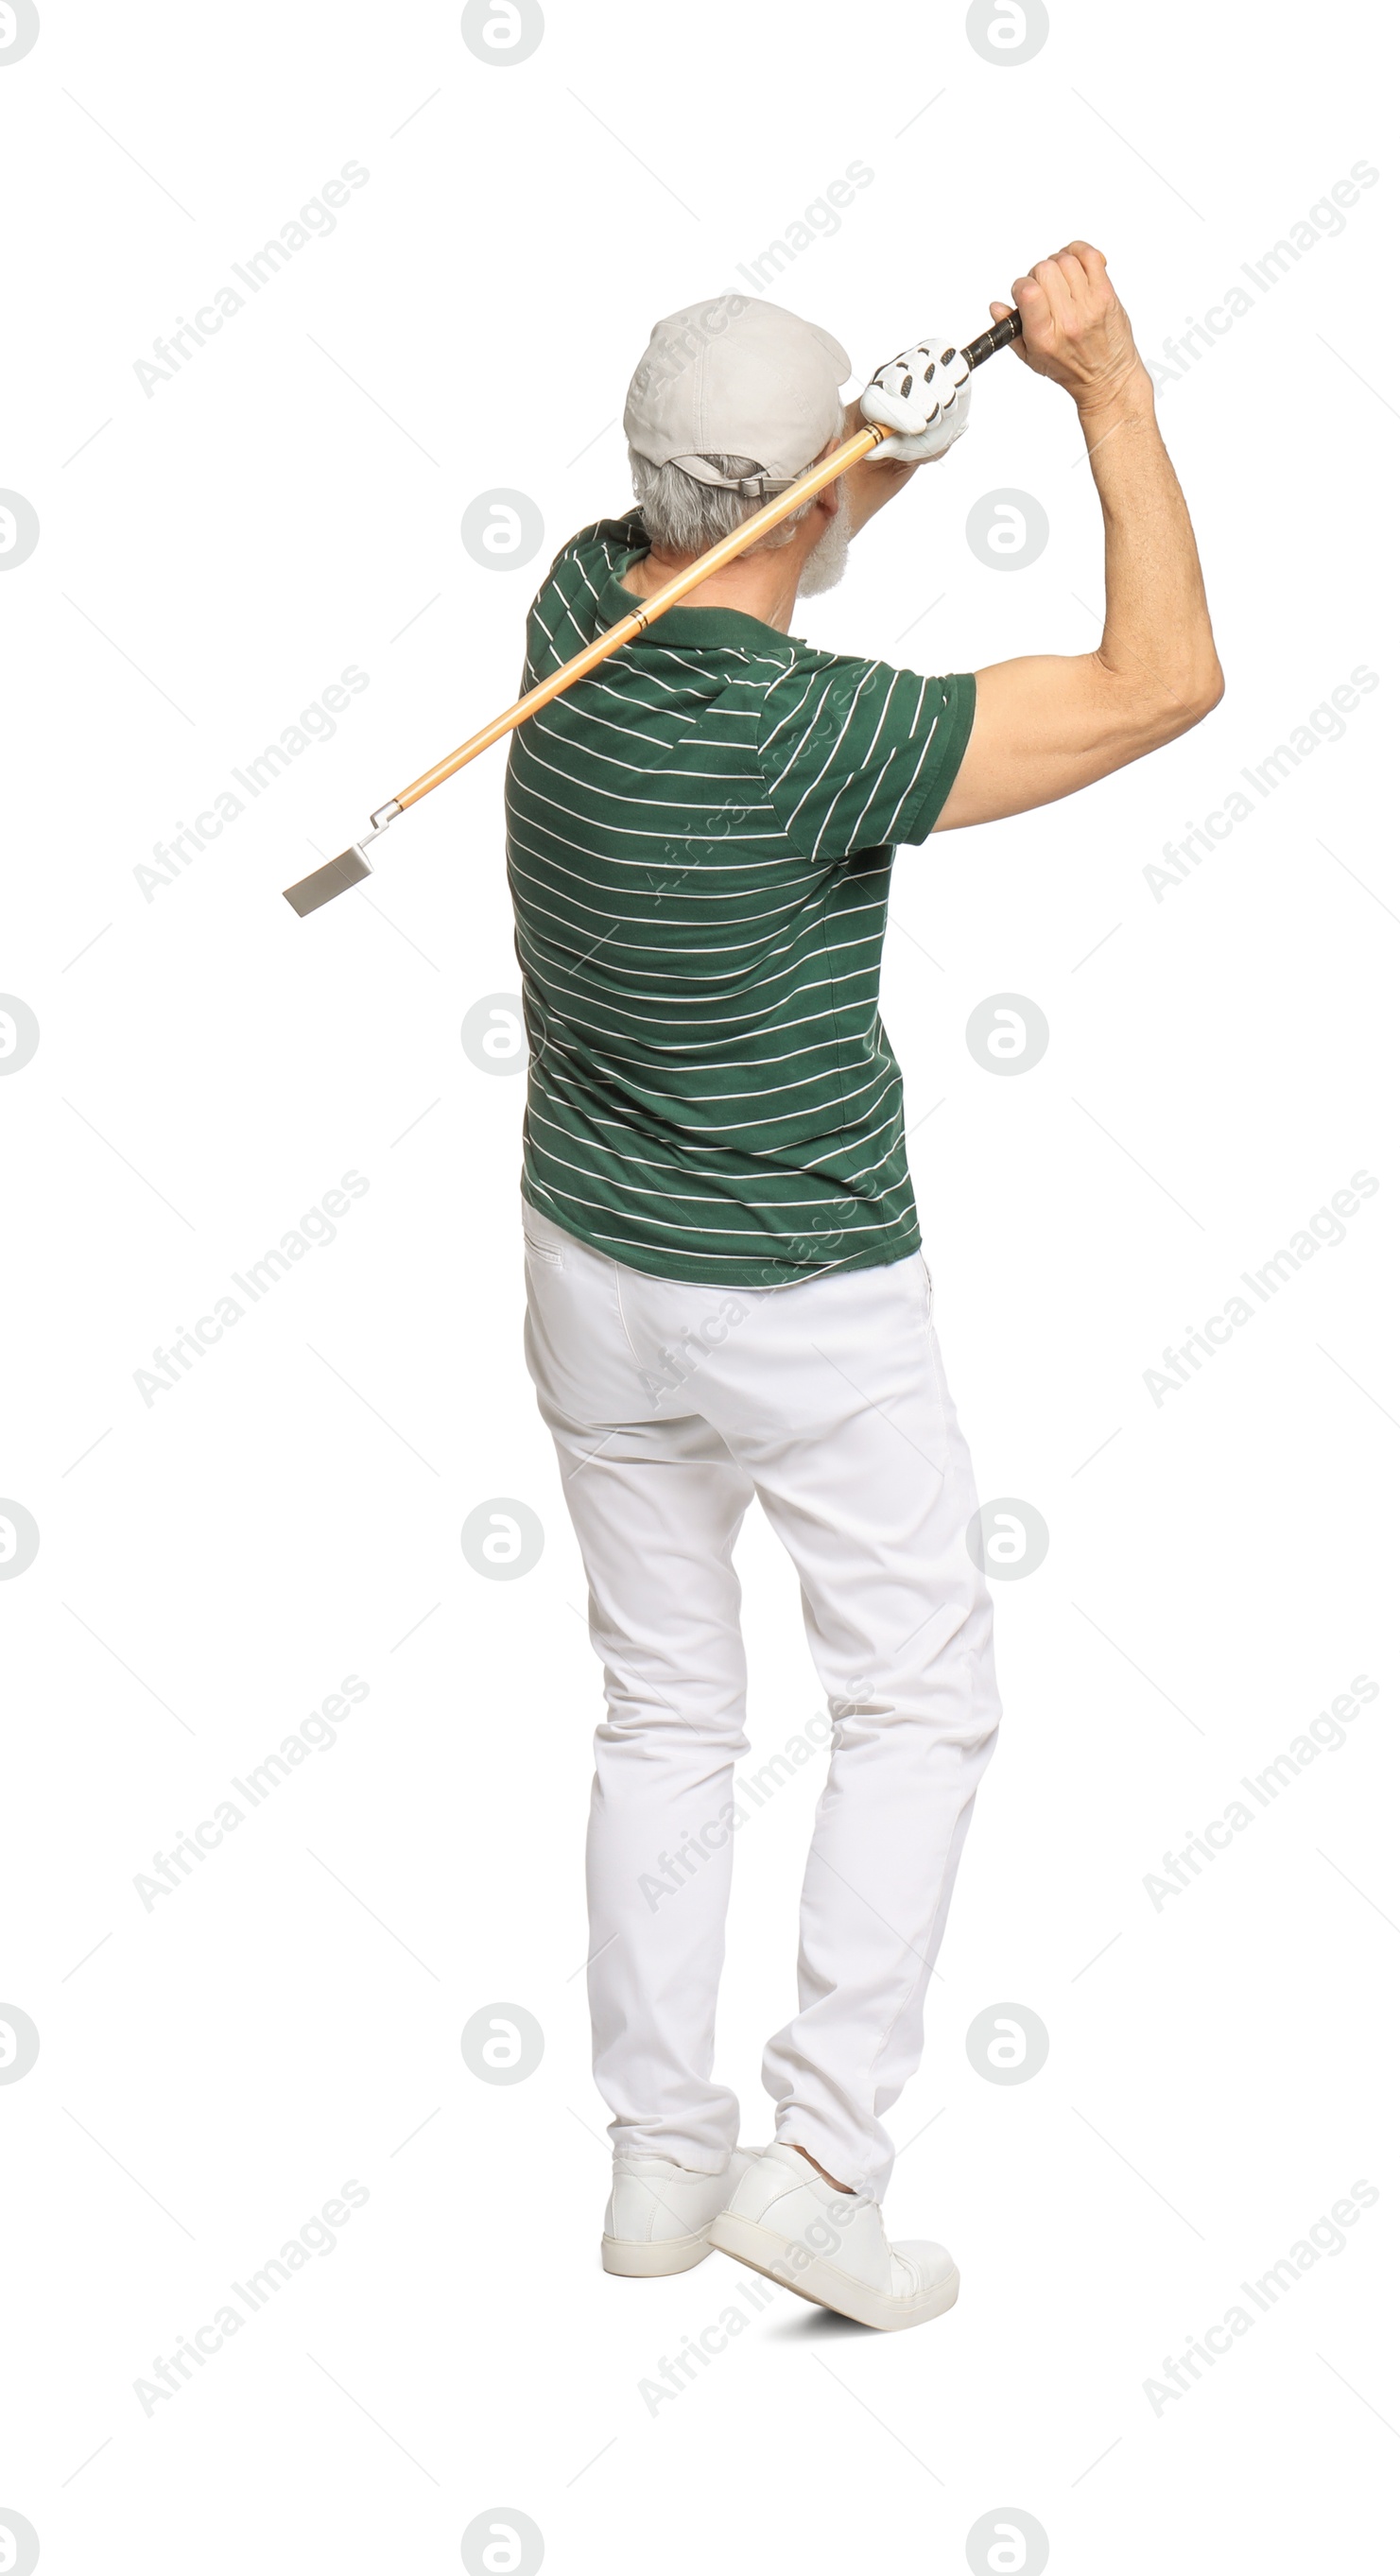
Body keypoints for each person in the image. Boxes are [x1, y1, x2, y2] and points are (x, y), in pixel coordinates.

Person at [507, 246, 1221, 2329]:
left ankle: (656, 2159)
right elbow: (1159, 680)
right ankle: (816, 2162)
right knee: (917, 1695)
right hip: (796, 1303)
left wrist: (868, 450)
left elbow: (758, 540)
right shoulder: (818, 739)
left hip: (584, 1273)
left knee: (664, 1698)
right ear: (802, 496)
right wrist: (1106, 390)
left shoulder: (566, 610)